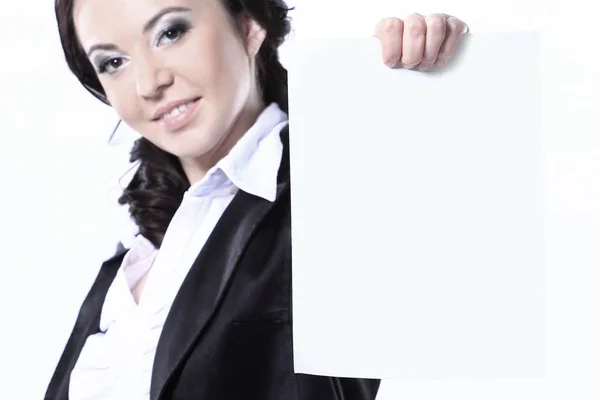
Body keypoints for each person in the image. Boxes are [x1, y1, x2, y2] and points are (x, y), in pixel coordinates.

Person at [45, 0, 469, 399]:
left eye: (170, 33)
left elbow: (450, 255)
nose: (148, 83)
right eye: (113, 62)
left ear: (250, 24)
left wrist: (428, 84)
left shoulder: (332, 193)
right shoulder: (134, 260)